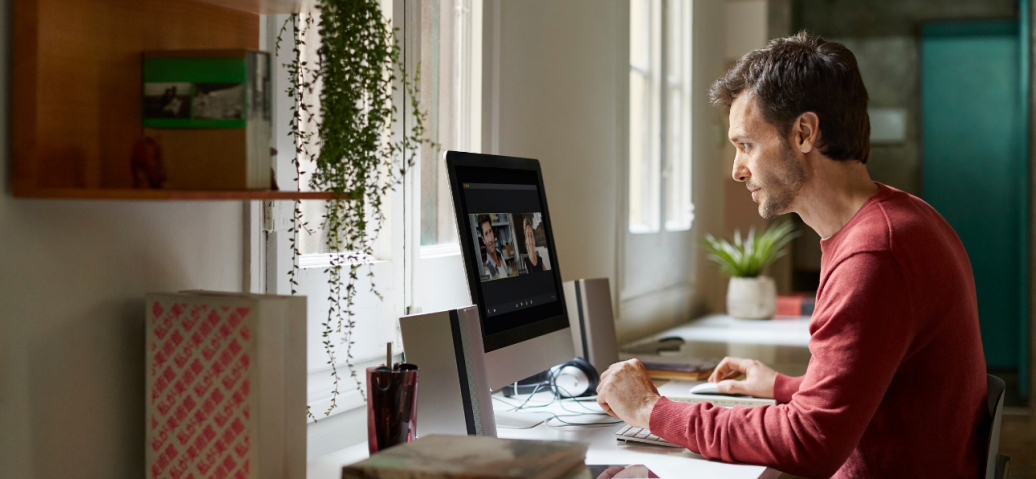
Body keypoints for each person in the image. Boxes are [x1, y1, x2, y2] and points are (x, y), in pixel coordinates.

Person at [594, 32, 988, 478]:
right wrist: (784, 386)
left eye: (746, 145)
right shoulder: (901, 218)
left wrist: (651, 410)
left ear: (804, 132)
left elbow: (809, 441)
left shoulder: (875, 254)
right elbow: (878, 383)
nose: (737, 170)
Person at [477, 215, 512, 280]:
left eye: (490, 231)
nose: (490, 239)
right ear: (483, 240)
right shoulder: (488, 273)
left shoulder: (499, 253)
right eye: (486, 234)